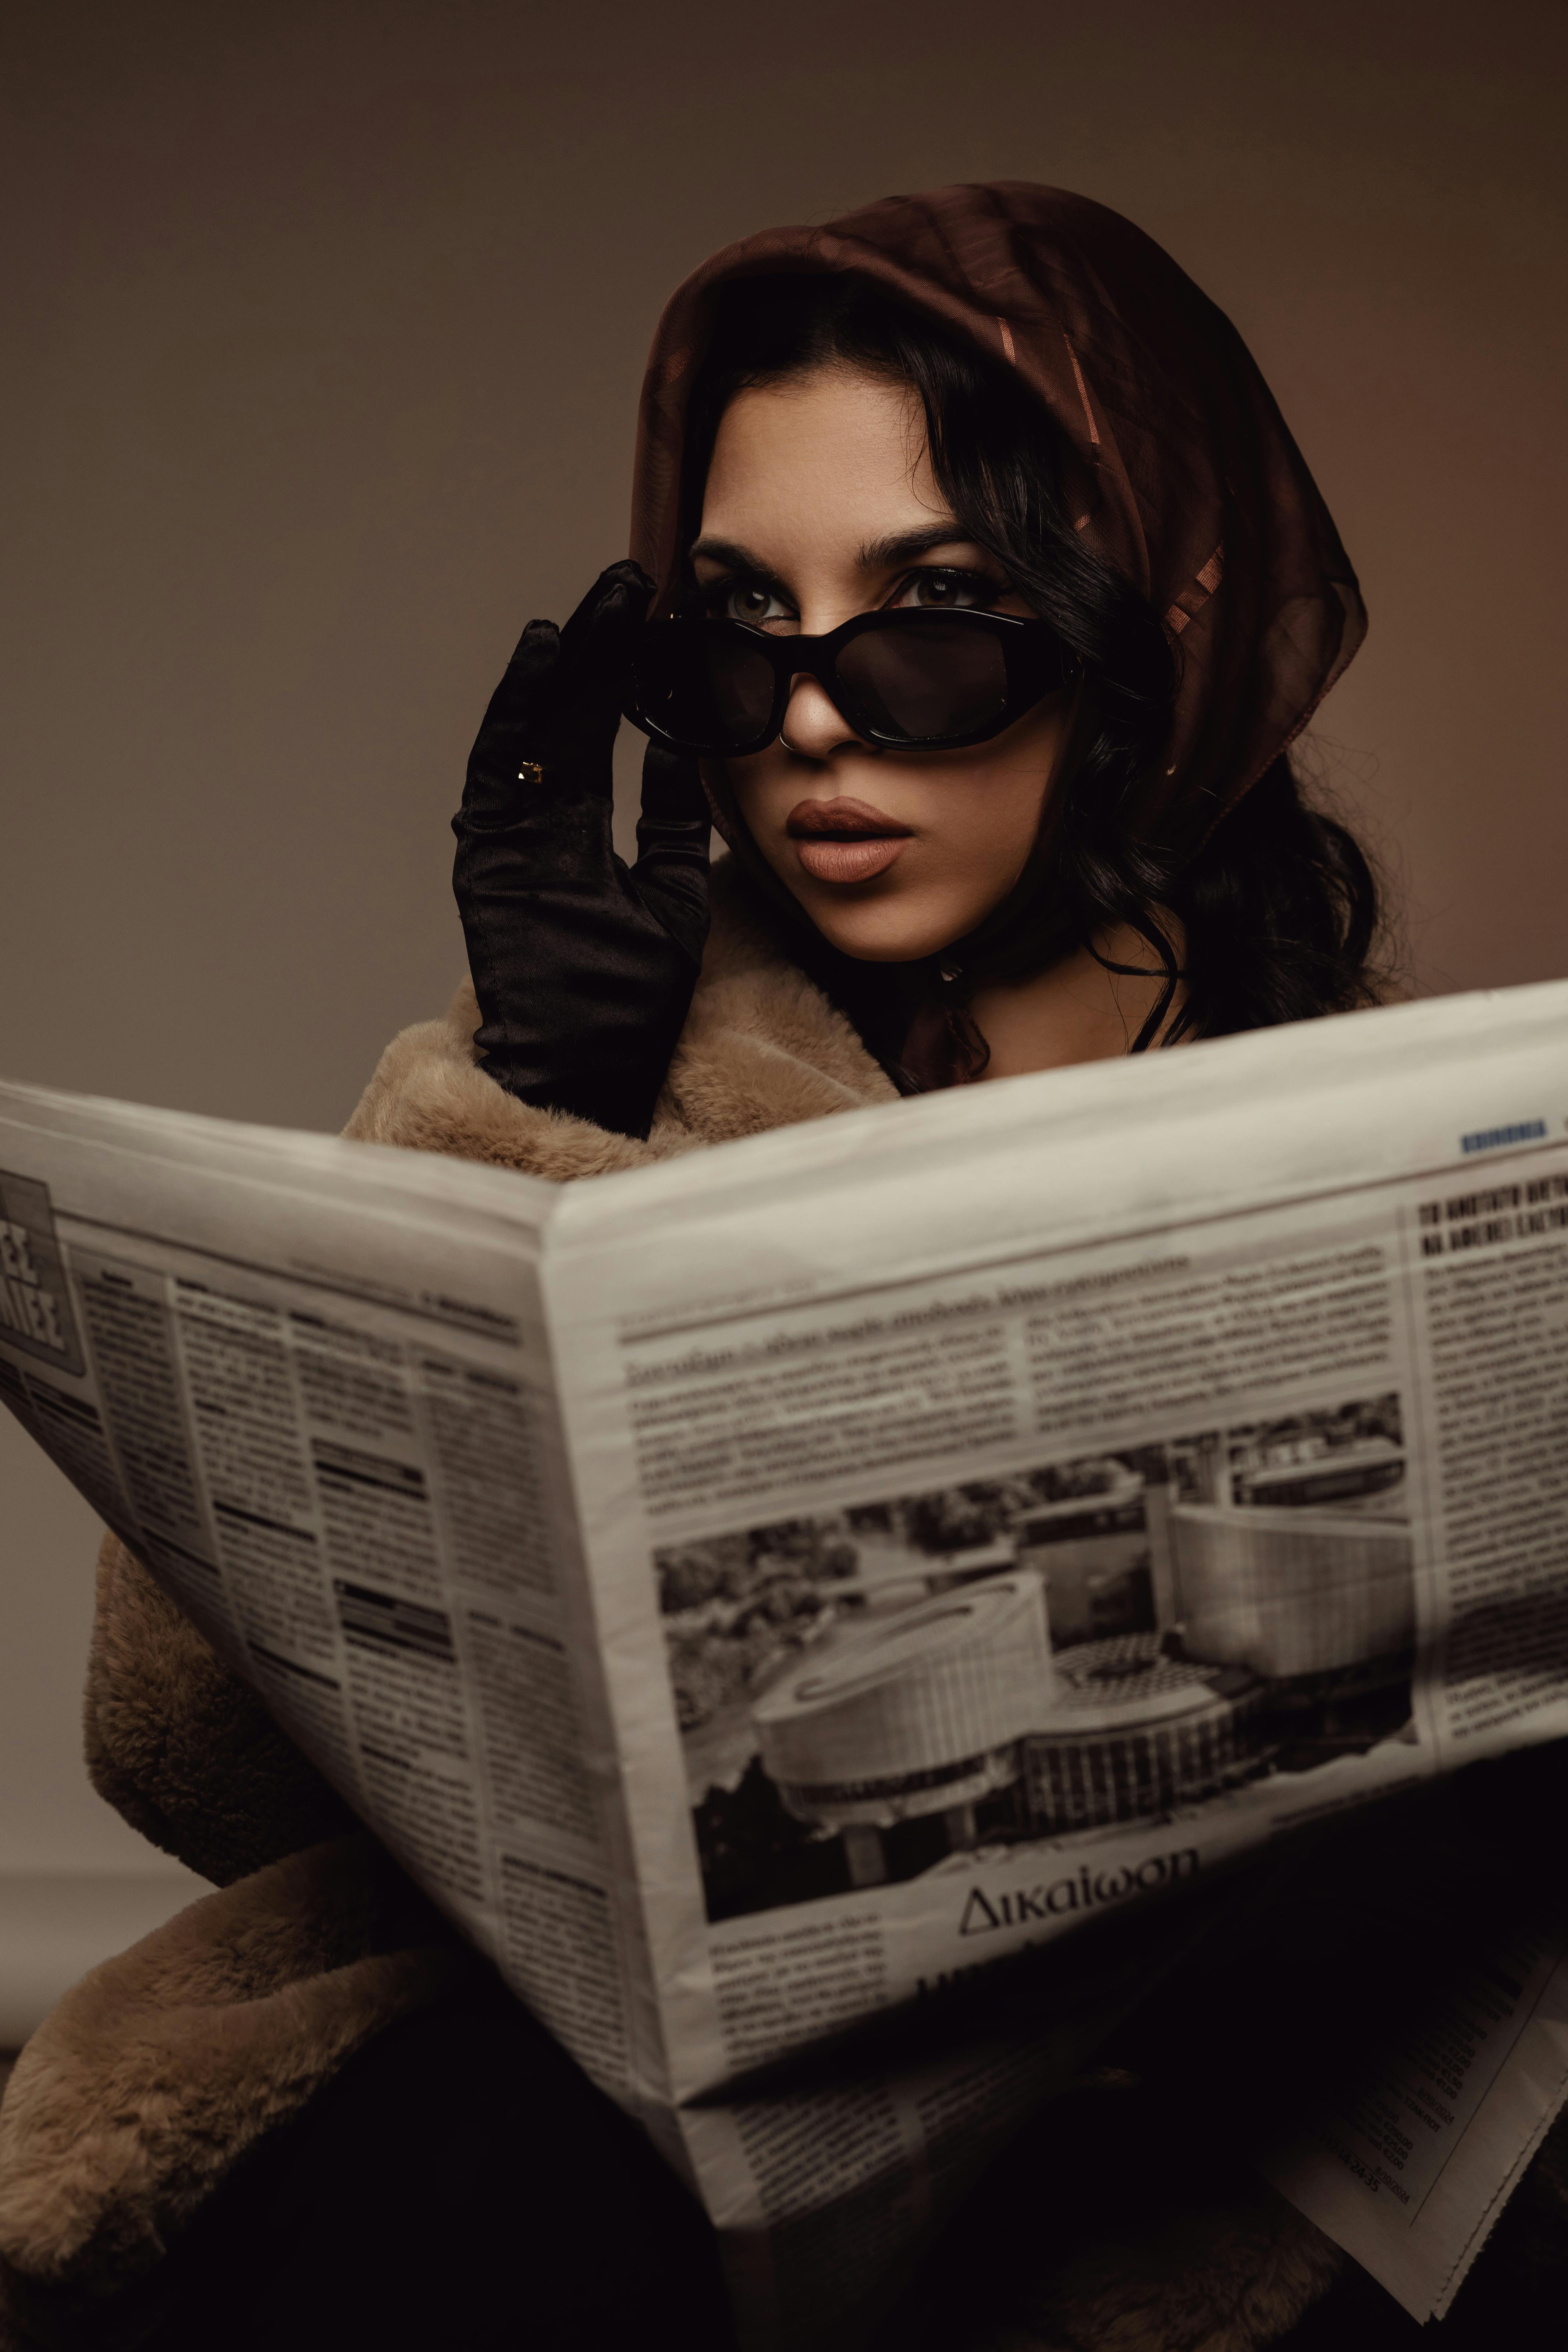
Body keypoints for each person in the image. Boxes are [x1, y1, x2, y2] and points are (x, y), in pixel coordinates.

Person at [3, 184, 1558, 2352]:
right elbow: (193, 1774)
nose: (810, 724)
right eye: (740, 633)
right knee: (492, 2187)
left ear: (1150, 633)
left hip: (1172, 2173)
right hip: (583, 2175)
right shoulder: (581, 1064)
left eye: (929, 622)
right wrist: (523, 1112)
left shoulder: (1414, 1144)